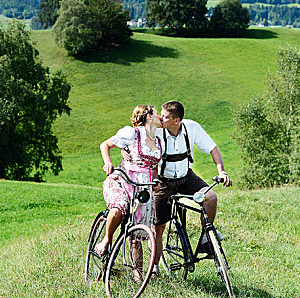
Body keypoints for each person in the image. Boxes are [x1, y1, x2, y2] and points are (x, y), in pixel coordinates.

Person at [153, 100, 232, 274]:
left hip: (186, 177)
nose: (160, 118)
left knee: (211, 197)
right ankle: (155, 268)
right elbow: (135, 139)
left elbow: (213, 149)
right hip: (163, 182)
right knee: (159, 227)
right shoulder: (157, 131)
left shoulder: (191, 128)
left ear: (176, 120)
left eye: (164, 116)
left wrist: (222, 172)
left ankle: (206, 237)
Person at [94, 104, 163, 256]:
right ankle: (106, 239)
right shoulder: (132, 134)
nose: (161, 117)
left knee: (136, 234)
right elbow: (105, 145)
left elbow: (155, 166)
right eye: (157, 113)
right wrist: (108, 162)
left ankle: (139, 277)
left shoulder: (158, 141)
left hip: (142, 188)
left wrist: (156, 181)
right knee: (119, 208)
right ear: (149, 116)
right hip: (123, 181)